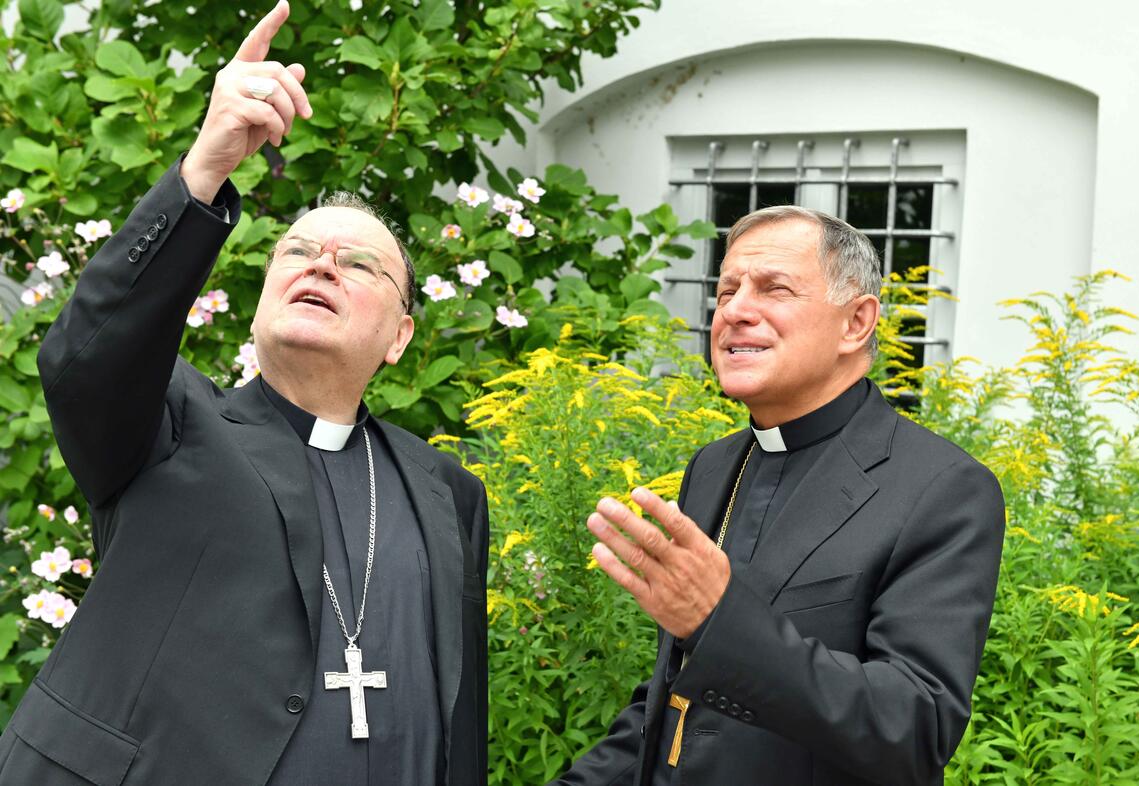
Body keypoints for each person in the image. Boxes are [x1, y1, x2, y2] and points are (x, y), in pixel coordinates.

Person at [0, 3, 488, 784]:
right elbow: (83, 360)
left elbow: (460, 713)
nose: (321, 263)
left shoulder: (447, 492)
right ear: (260, 300)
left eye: (358, 263)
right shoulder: (165, 424)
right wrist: (206, 167)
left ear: (400, 336)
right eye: (296, 251)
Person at [554, 205, 1005, 785]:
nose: (735, 311)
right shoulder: (714, 466)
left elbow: (914, 726)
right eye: (728, 290)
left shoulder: (941, 488)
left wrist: (723, 624)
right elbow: (672, 704)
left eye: (774, 289)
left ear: (856, 323)